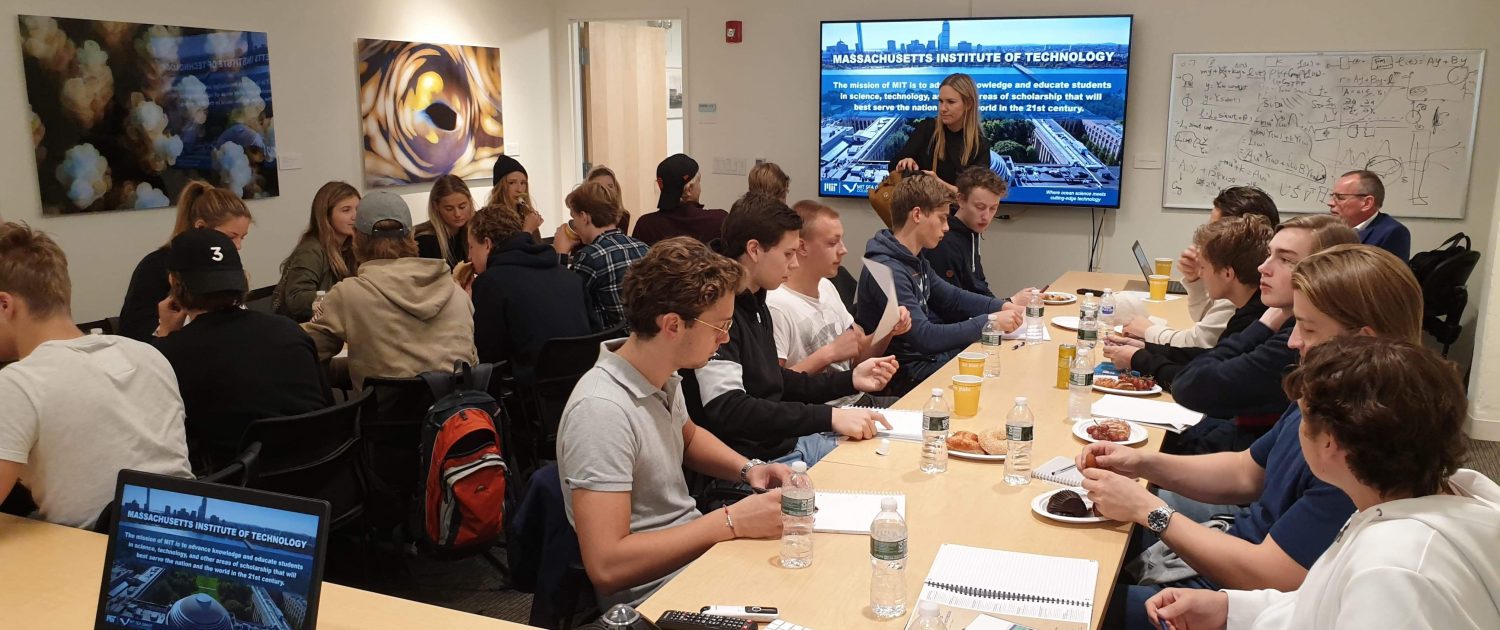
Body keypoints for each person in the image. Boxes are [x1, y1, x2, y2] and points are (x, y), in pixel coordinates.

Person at [1079, 243, 1424, 630]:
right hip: (1235, 558)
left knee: (1079, 599)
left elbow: (1272, 577)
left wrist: (1148, 509)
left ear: (1363, 339)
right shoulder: (1322, 390)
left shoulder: (1362, 446)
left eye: (1308, 328)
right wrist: (1144, 463)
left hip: (1243, 592)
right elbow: (1247, 471)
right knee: (1086, 536)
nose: (1293, 342)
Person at [1145, 337, 1499, 630]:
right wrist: (1230, 609)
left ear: (1329, 442)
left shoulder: (1393, 570)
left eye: (1302, 416)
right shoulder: (1405, 499)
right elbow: (1322, 603)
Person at [559, 237, 791, 608]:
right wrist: (731, 522)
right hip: (656, 596)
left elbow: (688, 437)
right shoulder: (601, 411)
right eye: (719, 326)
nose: (726, 337)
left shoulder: (661, 373)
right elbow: (606, 565)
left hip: (696, 560)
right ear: (672, 325)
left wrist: (750, 469)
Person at [0, 222, 192, 529]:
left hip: (88, 560)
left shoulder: (19, 384)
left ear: (5, 304)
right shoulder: (147, 355)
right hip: (179, 541)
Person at [684, 193, 897, 466]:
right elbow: (730, 408)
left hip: (788, 444)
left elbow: (776, 380)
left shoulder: (756, 300)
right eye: (788, 254)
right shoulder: (718, 310)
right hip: (759, 461)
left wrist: (850, 380)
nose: (794, 264)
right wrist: (829, 417)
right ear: (754, 249)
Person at [1168, 215, 1358, 452]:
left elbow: (1192, 386)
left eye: (1286, 259)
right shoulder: (1285, 321)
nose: (1263, 268)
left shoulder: (1301, 344)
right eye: (1269, 254)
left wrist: (1262, 325)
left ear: (1326, 273)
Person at [152, 228, 331, 472]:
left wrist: (164, 333)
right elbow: (327, 408)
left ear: (175, 283)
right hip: (325, 476)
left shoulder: (170, 354)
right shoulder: (289, 331)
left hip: (241, 491)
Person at [854, 173, 1027, 392]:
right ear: (917, 214)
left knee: (1007, 363)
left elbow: (953, 297)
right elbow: (925, 337)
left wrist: (1002, 306)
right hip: (903, 375)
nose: (946, 227)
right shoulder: (888, 270)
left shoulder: (914, 258)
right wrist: (990, 321)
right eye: (942, 218)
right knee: (1002, 379)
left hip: (925, 362)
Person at [301, 191, 476, 389]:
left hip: (384, 414)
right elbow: (472, 362)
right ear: (411, 235)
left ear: (356, 238)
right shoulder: (456, 293)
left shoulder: (349, 294)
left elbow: (303, 350)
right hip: (456, 412)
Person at [1102, 216, 1273, 390]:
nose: (1200, 274)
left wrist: (1139, 359)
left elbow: (1204, 382)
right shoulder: (1248, 309)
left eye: (1204, 268)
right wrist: (1146, 348)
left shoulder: (1256, 322)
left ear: (1228, 274)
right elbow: (1211, 356)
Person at [769, 200, 910, 406]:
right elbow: (774, 388)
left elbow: (856, 359)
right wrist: (829, 353)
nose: (843, 250)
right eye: (832, 243)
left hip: (853, 400)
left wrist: (888, 328)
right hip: (822, 416)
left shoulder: (827, 287)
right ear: (802, 247)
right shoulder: (777, 306)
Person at [1125, 186, 1281, 347]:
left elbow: (1200, 344)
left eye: (1215, 227)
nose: (1209, 233)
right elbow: (1208, 322)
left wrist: (1149, 332)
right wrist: (1196, 280)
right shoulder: (1240, 283)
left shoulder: (1246, 288)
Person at [469, 203, 592, 381]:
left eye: (471, 247)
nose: (469, 256)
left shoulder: (489, 284)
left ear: (487, 244)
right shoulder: (570, 277)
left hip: (529, 396)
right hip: (583, 384)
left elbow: (489, 359)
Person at [119, 181, 252, 340]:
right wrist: (167, 329)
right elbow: (133, 332)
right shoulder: (155, 267)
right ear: (201, 227)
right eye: (231, 237)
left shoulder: (225, 265)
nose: (238, 246)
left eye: (242, 237)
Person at [551, 181, 650, 332]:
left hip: (612, 346)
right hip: (645, 340)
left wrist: (561, 254)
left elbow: (563, 303)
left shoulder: (590, 257)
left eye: (574, 217)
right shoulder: (643, 247)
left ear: (584, 217)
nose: (574, 225)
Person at [272, 181, 360, 323]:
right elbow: (297, 298)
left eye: (358, 209)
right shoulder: (311, 250)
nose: (355, 216)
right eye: (346, 210)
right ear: (326, 215)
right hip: (305, 329)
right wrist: (341, 297)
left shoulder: (353, 247)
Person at [889, 73, 991, 191]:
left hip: (957, 209)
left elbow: (976, 196)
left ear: (968, 104)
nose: (943, 108)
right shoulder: (927, 128)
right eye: (941, 101)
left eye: (951, 102)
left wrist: (937, 183)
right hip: (922, 208)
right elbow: (892, 166)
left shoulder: (980, 146)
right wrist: (904, 163)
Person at [923, 166, 1005, 297]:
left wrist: (1008, 306)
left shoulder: (971, 234)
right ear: (960, 200)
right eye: (980, 207)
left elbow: (980, 287)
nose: (986, 216)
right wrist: (1008, 304)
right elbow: (951, 304)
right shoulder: (943, 242)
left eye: (993, 208)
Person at [633, 154, 727, 246]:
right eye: (699, 182)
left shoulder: (645, 226)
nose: (700, 188)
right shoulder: (720, 220)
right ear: (689, 189)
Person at [1328, 169, 1411, 260]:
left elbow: (1384, 273)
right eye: (1332, 196)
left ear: (1367, 203)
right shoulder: (1330, 228)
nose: (1330, 203)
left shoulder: (1392, 232)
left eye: (1340, 197)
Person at [414, 174, 474, 268]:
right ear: (436, 206)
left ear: (470, 202)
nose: (457, 214)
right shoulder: (426, 242)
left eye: (462, 207)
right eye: (449, 209)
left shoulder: (473, 233)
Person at [487, 154, 544, 237]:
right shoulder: (492, 219)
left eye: (523, 183)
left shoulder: (524, 214)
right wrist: (528, 230)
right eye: (512, 183)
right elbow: (511, 249)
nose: (519, 189)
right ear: (500, 187)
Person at [587, 164, 631, 234]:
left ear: (616, 189)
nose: (606, 191)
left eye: (610, 186)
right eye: (599, 187)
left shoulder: (623, 216)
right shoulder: (583, 216)